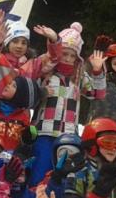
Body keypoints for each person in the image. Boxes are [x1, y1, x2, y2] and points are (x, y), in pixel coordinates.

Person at [22, 22, 106, 189]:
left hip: (68, 135)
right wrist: (42, 91)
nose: (67, 58)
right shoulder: (46, 72)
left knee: (62, 176)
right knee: (39, 173)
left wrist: (98, 72)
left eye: (72, 56)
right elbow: (30, 91)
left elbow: (98, 94)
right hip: (43, 132)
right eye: (64, 53)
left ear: (77, 58)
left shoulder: (79, 77)